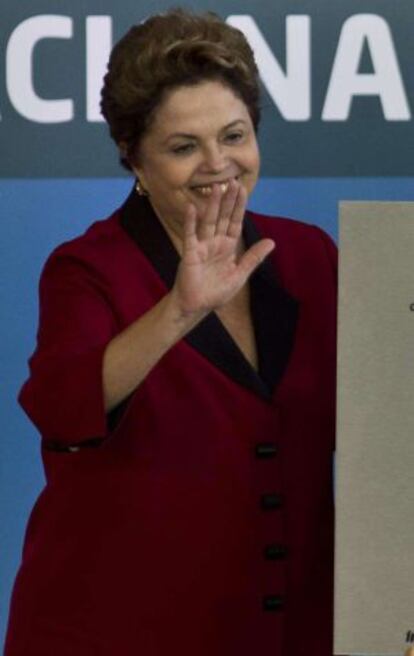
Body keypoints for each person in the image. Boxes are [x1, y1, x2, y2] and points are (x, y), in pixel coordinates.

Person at [5, 9, 338, 656]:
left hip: (287, 631)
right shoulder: (87, 268)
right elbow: (61, 408)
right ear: (134, 158)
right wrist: (179, 311)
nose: (219, 165)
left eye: (234, 135)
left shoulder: (308, 256)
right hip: (116, 630)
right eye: (183, 147)